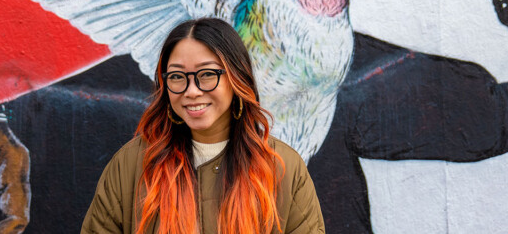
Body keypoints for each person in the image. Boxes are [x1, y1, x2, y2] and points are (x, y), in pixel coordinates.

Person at [81, 18, 325, 234]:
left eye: (207, 74)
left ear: (236, 78)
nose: (192, 91)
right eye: (177, 77)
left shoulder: (282, 167)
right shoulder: (132, 165)